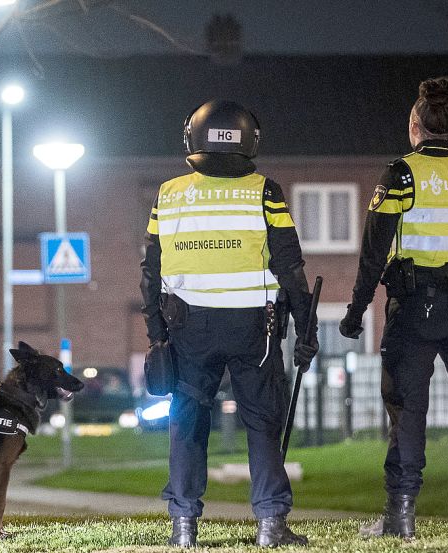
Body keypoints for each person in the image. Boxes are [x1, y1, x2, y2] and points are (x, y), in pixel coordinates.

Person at [340, 77, 448, 539]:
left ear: (415, 125)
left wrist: (356, 312)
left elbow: (373, 252)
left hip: (415, 308)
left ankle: (400, 517)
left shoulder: (400, 173)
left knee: (407, 410)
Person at [141, 100, 319, 547]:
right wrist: (306, 331)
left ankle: (183, 525)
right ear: (249, 140)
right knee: (261, 422)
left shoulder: (170, 194)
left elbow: (150, 271)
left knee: (187, 421)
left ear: (193, 137)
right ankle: (271, 524)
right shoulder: (265, 191)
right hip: (252, 330)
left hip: (188, 329)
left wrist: (157, 335)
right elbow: (291, 270)